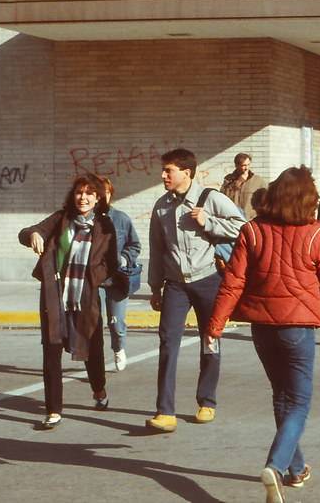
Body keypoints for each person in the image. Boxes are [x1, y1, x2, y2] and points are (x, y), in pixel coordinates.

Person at [205, 166, 320, 503]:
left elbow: (233, 281)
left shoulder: (253, 231)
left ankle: (294, 469)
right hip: (297, 327)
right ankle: (275, 465)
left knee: (282, 396)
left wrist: (216, 324)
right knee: (298, 402)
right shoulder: (316, 234)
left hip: (262, 328)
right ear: (307, 198)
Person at [146, 148, 245, 433]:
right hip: (175, 284)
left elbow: (243, 227)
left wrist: (209, 222)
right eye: (164, 171)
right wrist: (155, 287)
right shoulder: (161, 206)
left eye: (169, 171)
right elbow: (157, 249)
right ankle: (165, 411)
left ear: (186, 172)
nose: (164, 176)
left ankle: (207, 401)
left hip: (208, 279)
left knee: (210, 339)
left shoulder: (211, 198)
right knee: (167, 342)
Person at [18, 175, 122, 430]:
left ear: (98, 198)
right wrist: (33, 235)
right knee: (51, 352)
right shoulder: (60, 219)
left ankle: (98, 390)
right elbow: (27, 232)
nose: (83, 198)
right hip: (55, 298)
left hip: (86, 299)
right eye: (79, 192)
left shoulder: (105, 226)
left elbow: (111, 263)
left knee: (93, 351)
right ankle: (53, 410)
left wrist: (94, 278)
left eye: (89, 193)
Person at [94, 175, 142, 372]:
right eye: (97, 193)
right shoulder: (87, 219)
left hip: (117, 279)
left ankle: (118, 348)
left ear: (110, 194)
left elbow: (135, 244)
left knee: (116, 320)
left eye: (104, 192)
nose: (101, 197)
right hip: (94, 280)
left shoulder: (121, 218)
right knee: (93, 323)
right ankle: (94, 359)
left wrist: (123, 257)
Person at [220, 152, 267, 220]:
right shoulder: (228, 180)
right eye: (244, 165)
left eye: (248, 165)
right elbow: (222, 199)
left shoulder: (258, 181)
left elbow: (266, 202)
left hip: (251, 221)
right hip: (232, 220)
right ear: (236, 166)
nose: (246, 168)